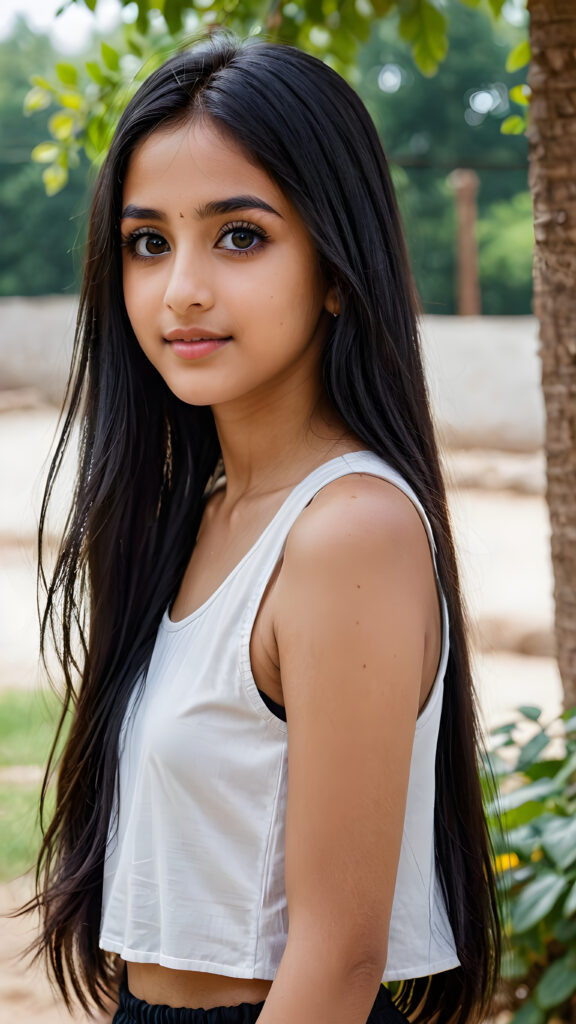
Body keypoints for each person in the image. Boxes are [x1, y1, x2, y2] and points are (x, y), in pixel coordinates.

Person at [26, 36, 501, 1024]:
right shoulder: (192, 513)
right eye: (148, 241)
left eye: (239, 235)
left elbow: (334, 956)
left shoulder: (348, 533)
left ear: (336, 266)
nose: (181, 288)